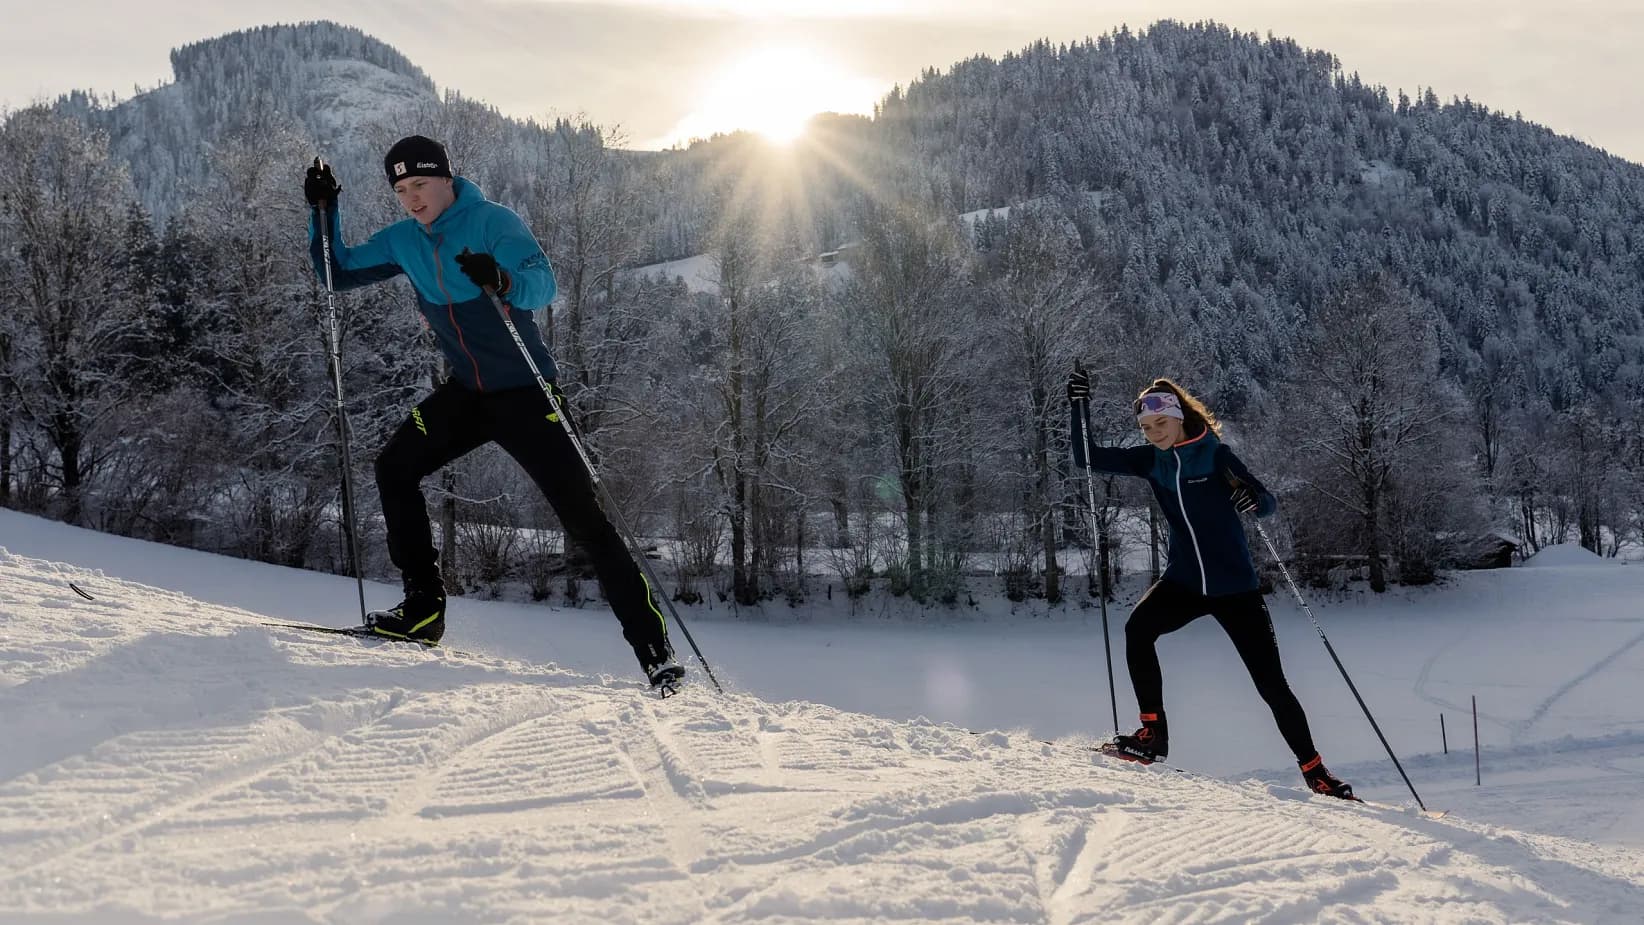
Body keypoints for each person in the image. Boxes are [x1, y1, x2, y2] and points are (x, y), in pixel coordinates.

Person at [303, 135, 684, 692]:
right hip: (467, 396)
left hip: (528, 395)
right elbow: (335, 272)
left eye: (421, 185)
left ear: (447, 179)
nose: (412, 198)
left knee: (585, 521)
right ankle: (423, 612)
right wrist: (323, 210)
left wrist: (502, 279)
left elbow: (543, 286)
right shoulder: (404, 240)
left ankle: (654, 651)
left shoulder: (492, 221)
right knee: (394, 467)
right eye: (402, 190)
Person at [1067, 370, 1354, 799]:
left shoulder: (1216, 456)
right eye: (1146, 428)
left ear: (1179, 417)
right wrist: (1078, 406)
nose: (1154, 433)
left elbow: (1267, 503)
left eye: (1160, 424)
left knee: (1271, 685)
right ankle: (1153, 736)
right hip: (1183, 582)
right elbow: (1085, 457)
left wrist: (1252, 499)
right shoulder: (1151, 460)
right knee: (1138, 630)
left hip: (1234, 589)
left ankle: (1316, 773)